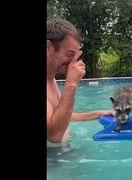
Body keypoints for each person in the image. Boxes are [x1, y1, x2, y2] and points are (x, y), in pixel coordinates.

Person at [47, 18, 115, 148]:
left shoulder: (50, 79)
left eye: (76, 55)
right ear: (48, 47)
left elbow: (61, 116)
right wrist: (71, 83)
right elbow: (54, 136)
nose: (74, 61)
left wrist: (98, 114)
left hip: (61, 157)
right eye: (70, 54)